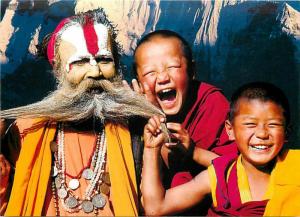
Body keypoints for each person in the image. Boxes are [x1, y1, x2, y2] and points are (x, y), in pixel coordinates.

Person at [0, 9, 164, 216]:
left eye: (104, 60)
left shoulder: (135, 130)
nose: (95, 72)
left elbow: (153, 205)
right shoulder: (26, 130)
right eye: (80, 62)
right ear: (59, 71)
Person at [142, 81, 300, 216]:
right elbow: (156, 208)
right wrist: (151, 148)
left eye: (273, 125)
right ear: (230, 130)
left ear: (286, 132)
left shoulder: (295, 167)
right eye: (250, 124)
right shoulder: (221, 176)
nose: (262, 134)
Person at [129, 30, 237, 190]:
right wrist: (149, 114)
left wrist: (194, 152)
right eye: (150, 72)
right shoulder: (133, 114)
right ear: (138, 81)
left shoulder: (211, 102)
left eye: (172, 66)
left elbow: (237, 170)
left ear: (192, 70)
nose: (163, 78)